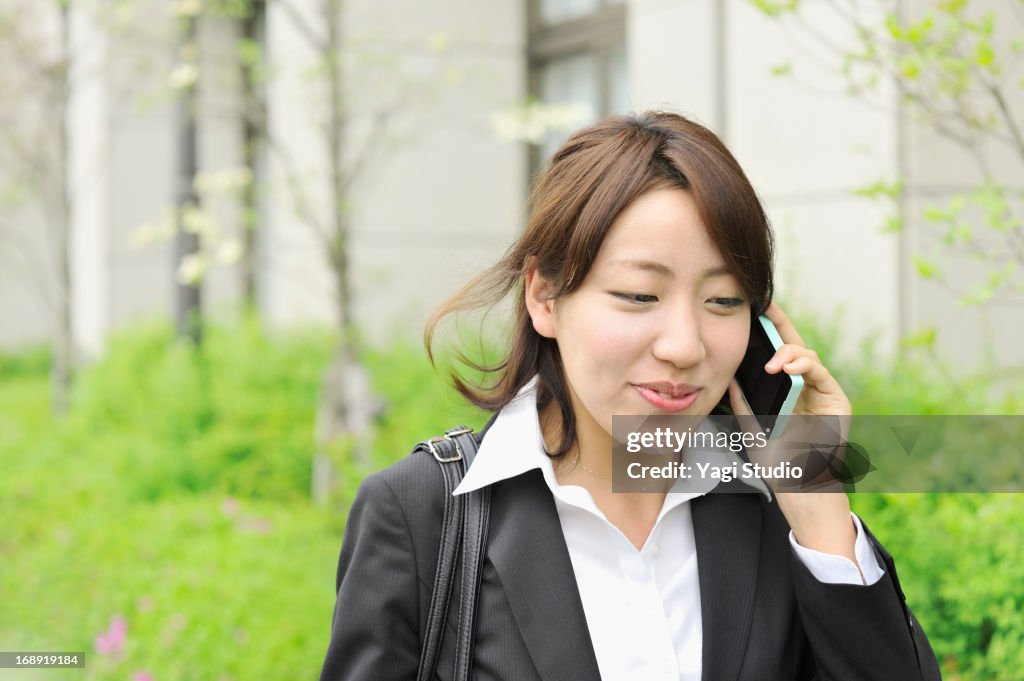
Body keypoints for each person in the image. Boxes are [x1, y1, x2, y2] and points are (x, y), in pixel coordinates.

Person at [318, 111, 942, 680]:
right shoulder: (420, 512)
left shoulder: (769, 511)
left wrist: (819, 512)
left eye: (723, 300)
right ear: (543, 296)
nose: (684, 345)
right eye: (640, 296)